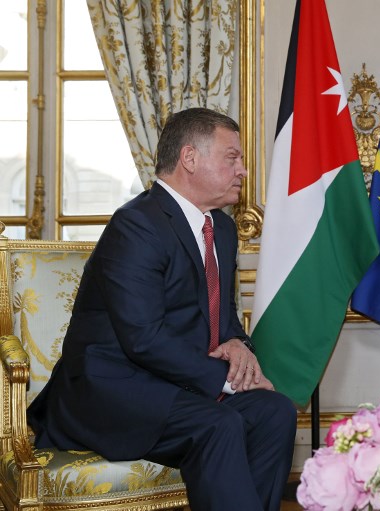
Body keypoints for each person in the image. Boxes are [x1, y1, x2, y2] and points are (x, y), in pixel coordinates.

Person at [28, 107, 297, 511]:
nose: (243, 170)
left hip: (178, 384)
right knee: (219, 424)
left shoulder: (221, 228)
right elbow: (143, 338)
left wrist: (238, 345)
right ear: (190, 158)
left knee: (275, 411)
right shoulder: (136, 225)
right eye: (232, 157)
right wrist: (228, 381)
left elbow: (223, 318)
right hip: (114, 389)